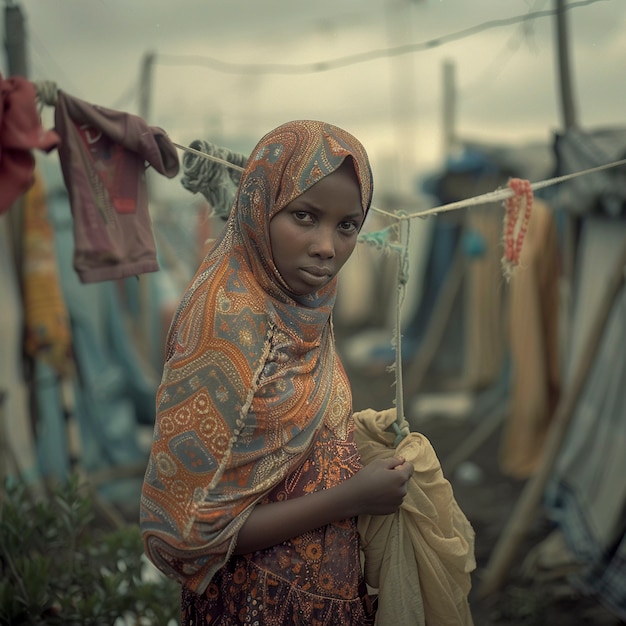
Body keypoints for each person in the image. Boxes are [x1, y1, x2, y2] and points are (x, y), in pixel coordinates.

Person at [140, 119, 414, 625]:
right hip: (253, 606)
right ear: (259, 205)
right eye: (304, 216)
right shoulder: (228, 323)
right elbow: (186, 532)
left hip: (325, 597)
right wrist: (352, 496)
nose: (327, 246)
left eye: (347, 225)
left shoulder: (301, 307)